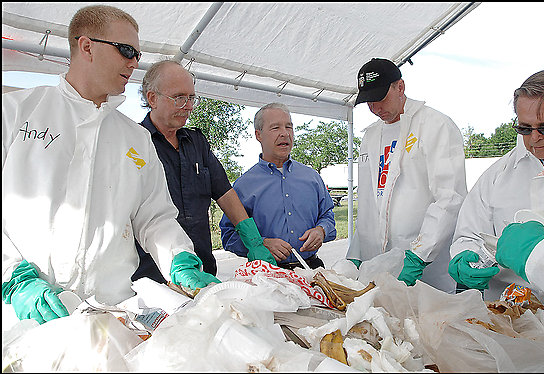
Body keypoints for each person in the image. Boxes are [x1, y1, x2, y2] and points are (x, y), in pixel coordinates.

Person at [1, 5, 219, 326]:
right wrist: (12, 274)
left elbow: (155, 217)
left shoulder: (136, 138)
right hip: (23, 315)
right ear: (86, 45)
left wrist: (178, 259)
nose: (134, 63)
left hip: (110, 316)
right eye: (126, 51)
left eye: (137, 55)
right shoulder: (14, 112)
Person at [449, 68, 544, 302]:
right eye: (524, 129)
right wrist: (464, 257)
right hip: (510, 316)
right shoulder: (499, 173)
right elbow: (469, 235)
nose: (535, 138)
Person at [132, 61, 276, 283]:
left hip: (202, 266)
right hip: (152, 272)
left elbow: (225, 193)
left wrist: (254, 241)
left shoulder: (196, 142)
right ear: (152, 98)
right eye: (179, 98)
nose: (188, 106)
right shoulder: (134, 144)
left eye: (191, 98)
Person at [346, 58, 467, 293]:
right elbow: (369, 202)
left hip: (424, 268)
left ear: (400, 87)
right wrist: (356, 253)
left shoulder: (435, 125)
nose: (375, 108)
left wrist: (419, 255)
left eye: (380, 98)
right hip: (377, 267)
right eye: (369, 102)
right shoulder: (370, 136)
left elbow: (450, 197)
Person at [219, 103, 337, 270]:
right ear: (258, 135)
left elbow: (328, 215)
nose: (285, 133)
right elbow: (229, 236)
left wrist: (321, 230)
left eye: (289, 127)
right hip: (268, 277)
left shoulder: (312, 177)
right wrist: (261, 244)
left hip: (312, 271)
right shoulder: (243, 186)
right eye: (275, 128)